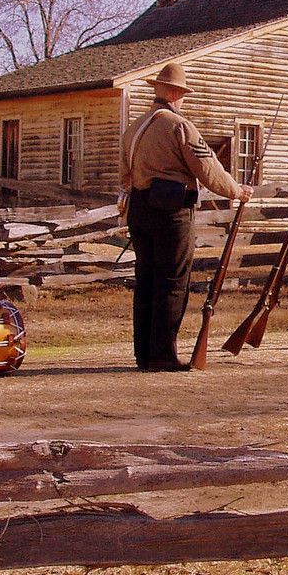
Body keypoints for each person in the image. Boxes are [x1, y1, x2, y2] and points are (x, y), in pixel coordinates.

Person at [119, 62, 252, 371]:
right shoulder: (179, 126)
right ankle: (163, 355)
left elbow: (124, 175)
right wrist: (237, 191)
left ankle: (145, 354)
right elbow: (208, 170)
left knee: (147, 281)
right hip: (170, 211)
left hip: (138, 208)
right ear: (177, 93)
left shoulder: (132, 129)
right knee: (172, 282)